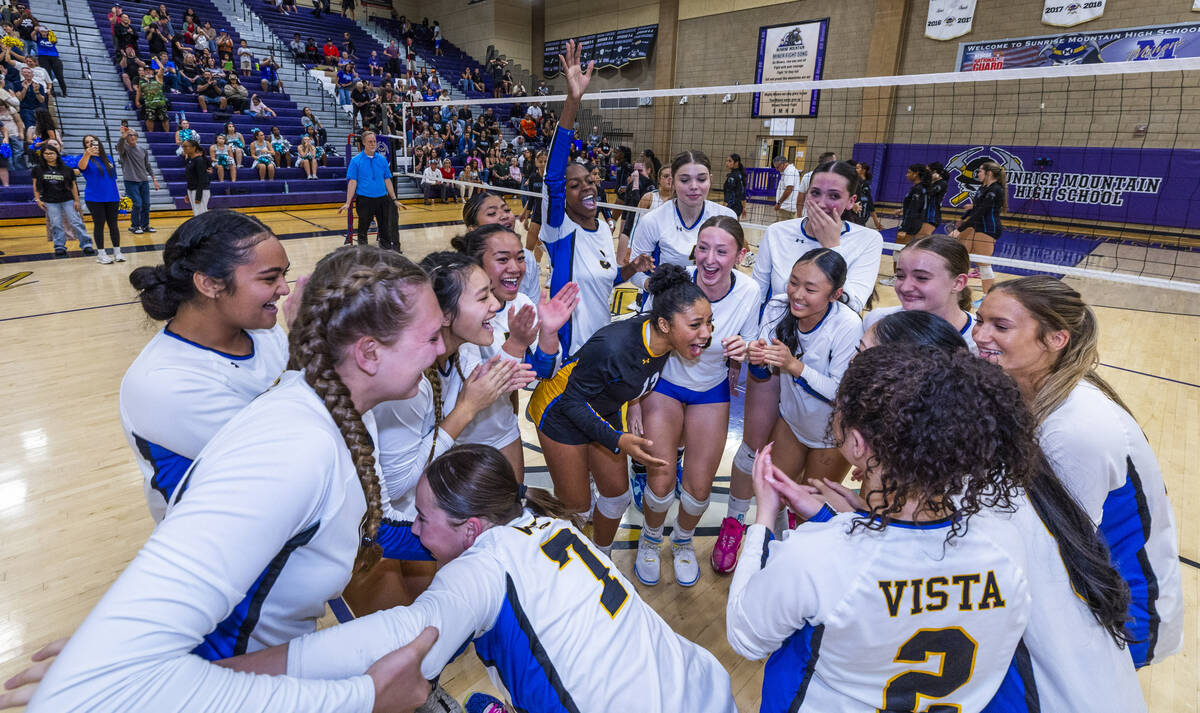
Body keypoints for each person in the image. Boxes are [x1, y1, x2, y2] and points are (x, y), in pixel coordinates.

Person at [23, 246, 446, 713]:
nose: (442, 349)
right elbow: (106, 686)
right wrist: (362, 697)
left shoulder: (335, 412)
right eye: (430, 338)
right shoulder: (290, 451)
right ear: (368, 352)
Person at [217, 443, 738, 713]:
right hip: (702, 688)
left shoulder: (482, 571)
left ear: (470, 528)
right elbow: (410, 537)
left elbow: (386, 640)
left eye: (422, 517)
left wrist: (233, 673)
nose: (415, 530)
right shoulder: (544, 521)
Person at [726, 345, 1035, 712]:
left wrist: (763, 519)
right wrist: (847, 518)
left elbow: (746, 637)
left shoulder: (814, 556)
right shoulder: (1005, 542)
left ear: (857, 443)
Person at [975, 276, 1184, 668]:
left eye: (1000, 326)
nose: (980, 335)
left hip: (1121, 609)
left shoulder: (1074, 426)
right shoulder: (1028, 389)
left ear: (1056, 339)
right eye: (979, 319)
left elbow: (1053, 551)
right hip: (1078, 592)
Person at [528, 263, 714, 556]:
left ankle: (601, 557)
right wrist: (617, 438)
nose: (706, 333)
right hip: (560, 411)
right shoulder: (615, 347)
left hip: (601, 406)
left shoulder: (664, 341)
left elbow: (630, 379)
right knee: (577, 507)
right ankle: (571, 567)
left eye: (708, 322)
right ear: (665, 325)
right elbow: (572, 402)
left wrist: (634, 405)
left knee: (617, 498)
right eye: (695, 325)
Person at [118, 211, 291, 521]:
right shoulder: (163, 383)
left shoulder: (265, 332)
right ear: (209, 283)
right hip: (224, 543)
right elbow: (285, 460)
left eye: (284, 275)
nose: (285, 289)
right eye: (270, 278)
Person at [633, 217, 756, 588]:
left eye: (722, 250)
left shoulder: (749, 291)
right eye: (703, 247)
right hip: (664, 384)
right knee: (660, 477)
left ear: (740, 254)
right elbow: (643, 339)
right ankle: (650, 540)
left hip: (710, 390)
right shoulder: (675, 281)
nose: (710, 258)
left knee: (700, 487)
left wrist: (742, 352)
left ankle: (682, 541)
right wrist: (636, 401)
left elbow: (747, 344)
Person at [748, 248, 861, 499]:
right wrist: (756, 359)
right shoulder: (778, 306)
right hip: (792, 422)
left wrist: (794, 366)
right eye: (793, 282)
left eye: (810, 290)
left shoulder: (848, 326)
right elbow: (763, 371)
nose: (796, 295)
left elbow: (840, 392)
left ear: (835, 294)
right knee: (772, 495)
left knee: (809, 511)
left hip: (833, 435)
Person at [627, 150, 736, 291]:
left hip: (712, 303)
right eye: (685, 180)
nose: (694, 186)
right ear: (672, 181)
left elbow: (732, 270)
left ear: (710, 179)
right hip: (667, 304)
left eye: (701, 179)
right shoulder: (653, 220)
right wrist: (655, 287)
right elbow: (634, 271)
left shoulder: (726, 217)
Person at [864, 235, 976, 353]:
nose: (906, 287)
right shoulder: (877, 321)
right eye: (900, 276)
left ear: (958, 283)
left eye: (921, 278)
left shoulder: (980, 340)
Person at [463, 191, 541, 305]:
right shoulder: (462, 273)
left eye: (506, 210)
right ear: (473, 229)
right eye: (492, 213)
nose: (505, 216)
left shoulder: (527, 258)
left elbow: (534, 308)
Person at [340, 130, 404, 250]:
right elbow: (352, 182)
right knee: (363, 230)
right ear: (364, 143)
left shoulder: (382, 160)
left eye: (374, 141)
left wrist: (394, 199)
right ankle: (364, 256)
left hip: (382, 199)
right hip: (364, 200)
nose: (373, 144)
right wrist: (348, 203)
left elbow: (387, 180)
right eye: (370, 142)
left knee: (385, 229)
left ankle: (386, 254)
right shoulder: (355, 161)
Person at [951, 161, 1006, 298]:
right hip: (977, 226)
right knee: (961, 256)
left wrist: (961, 229)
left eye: (980, 171)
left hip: (988, 229)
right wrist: (964, 218)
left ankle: (988, 297)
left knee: (984, 264)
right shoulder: (982, 188)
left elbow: (981, 211)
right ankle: (955, 289)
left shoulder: (996, 189)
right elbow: (976, 207)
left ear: (989, 173)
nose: (978, 174)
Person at [32, 142, 95, 258]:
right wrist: (38, 199)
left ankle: (86, 245)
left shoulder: (66, 169)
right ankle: (59, 246)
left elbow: (73, 186)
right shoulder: (38, 169)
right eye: (46, 153)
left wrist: (76, 200)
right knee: (56, 224)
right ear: (42, 155)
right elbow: (35, 185)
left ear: (57, 154)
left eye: (52, 153)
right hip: (50, 201)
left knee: (76, 222)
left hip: (67, 199)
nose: (49, 155)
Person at [880, 163, 930, 287]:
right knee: (910, 251)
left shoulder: (918, 189)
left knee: (898, 252)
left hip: (911, 224)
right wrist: (902, 210)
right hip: (915, 223)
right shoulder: (921, 188)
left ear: (916, 174)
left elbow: (914, 210)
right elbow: (914, 208)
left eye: (909, 172)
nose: (906, 175)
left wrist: (904, 229)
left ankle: (897, 279)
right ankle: (910, 277)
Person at [77, 135, 123, 264]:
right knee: (99, 225)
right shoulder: (83, 158)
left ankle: (117, 252)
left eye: (92, 141)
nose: (90, 144)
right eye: (87, 142)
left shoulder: (108, 158)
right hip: (95, 198)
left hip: (112, 196)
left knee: (113, 225)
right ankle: (101, 254)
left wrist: (119, 194)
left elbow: (113, 178)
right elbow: (81, 167)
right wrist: (87, 154)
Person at [794, 151, 837, 217]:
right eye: (835, 161)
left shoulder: (807, 176)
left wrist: (799, 217)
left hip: (812, 216)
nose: (837, 164)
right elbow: (800, 200)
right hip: (818, 217)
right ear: (830, 163)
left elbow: (800, 200)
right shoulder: (808, 176)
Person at [849, 161, 882, 230]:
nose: (855, 169)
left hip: (861, 213)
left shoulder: (866, 184)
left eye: (857, 168)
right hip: (855, 212)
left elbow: (870, 202)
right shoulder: (855, 182)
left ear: (863, 170)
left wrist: (875, 220)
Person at [181, 138, 210, 216]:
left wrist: (198, 196)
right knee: (197, 213)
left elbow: (202, 179)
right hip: (192, 189)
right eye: (183, 146)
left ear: (193, 148)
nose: (183, 148)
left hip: (200, 190)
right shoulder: (190, 160)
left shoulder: (199, 160)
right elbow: (190, 178)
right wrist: (188, 193)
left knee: (201, 214)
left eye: (185, 146)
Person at [34, 25, 65, 96]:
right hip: (42, 56)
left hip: (54, 56)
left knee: (59, 75)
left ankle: (64, 91)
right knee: (48, 74)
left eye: (44, 31)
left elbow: (55, 41)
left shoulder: (51, 35)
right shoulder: (38, 37)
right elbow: (33, 37)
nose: (43, 33)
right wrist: (36, 31)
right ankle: (51, 91)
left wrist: (48, 32)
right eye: (42, 31)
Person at [771, 154, 799, 222]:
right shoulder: (786, 171)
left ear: (783, 164)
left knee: (782, 230)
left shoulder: (790, 172)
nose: (776, 169)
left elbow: (789, 189)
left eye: (777, 167)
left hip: (786, 208)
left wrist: (779, 203)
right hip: (785, 207)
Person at [922, 161, 947, 235]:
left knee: (922, 239)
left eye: (927, 171)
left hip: (932, 216)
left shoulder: (942, 183)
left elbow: (930, 192)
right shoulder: (931, 182)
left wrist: (929, 181)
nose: (925, 174)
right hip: (924, 215)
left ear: (934, 172)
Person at [722, 153, 746, 220]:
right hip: (738, 205)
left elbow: (728, 192)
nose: (727, 163)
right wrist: (744, 207)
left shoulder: (732, 176)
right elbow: (743, 192)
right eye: (726, 161)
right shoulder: (740, 174)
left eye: (729, 161)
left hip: (731, 205)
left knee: (729, 226)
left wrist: (724, 206)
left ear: (736, 163)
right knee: (735, 226)